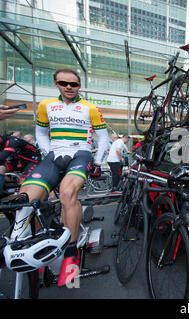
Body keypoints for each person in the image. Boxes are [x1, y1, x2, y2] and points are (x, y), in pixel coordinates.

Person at [12, 68, 110, 287]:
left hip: (80, 153)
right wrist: (49, 153)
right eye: (64, 83)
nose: (68, 87)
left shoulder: (90, 108)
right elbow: (40, 133)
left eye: (73, 84)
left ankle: (70, 253)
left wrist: (96, 162)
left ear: (78, 86)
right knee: (26, 198)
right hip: (54, 154)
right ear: (56, 83)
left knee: (67, 194)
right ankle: (40, 245)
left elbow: (102, 138)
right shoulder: (45, 106)